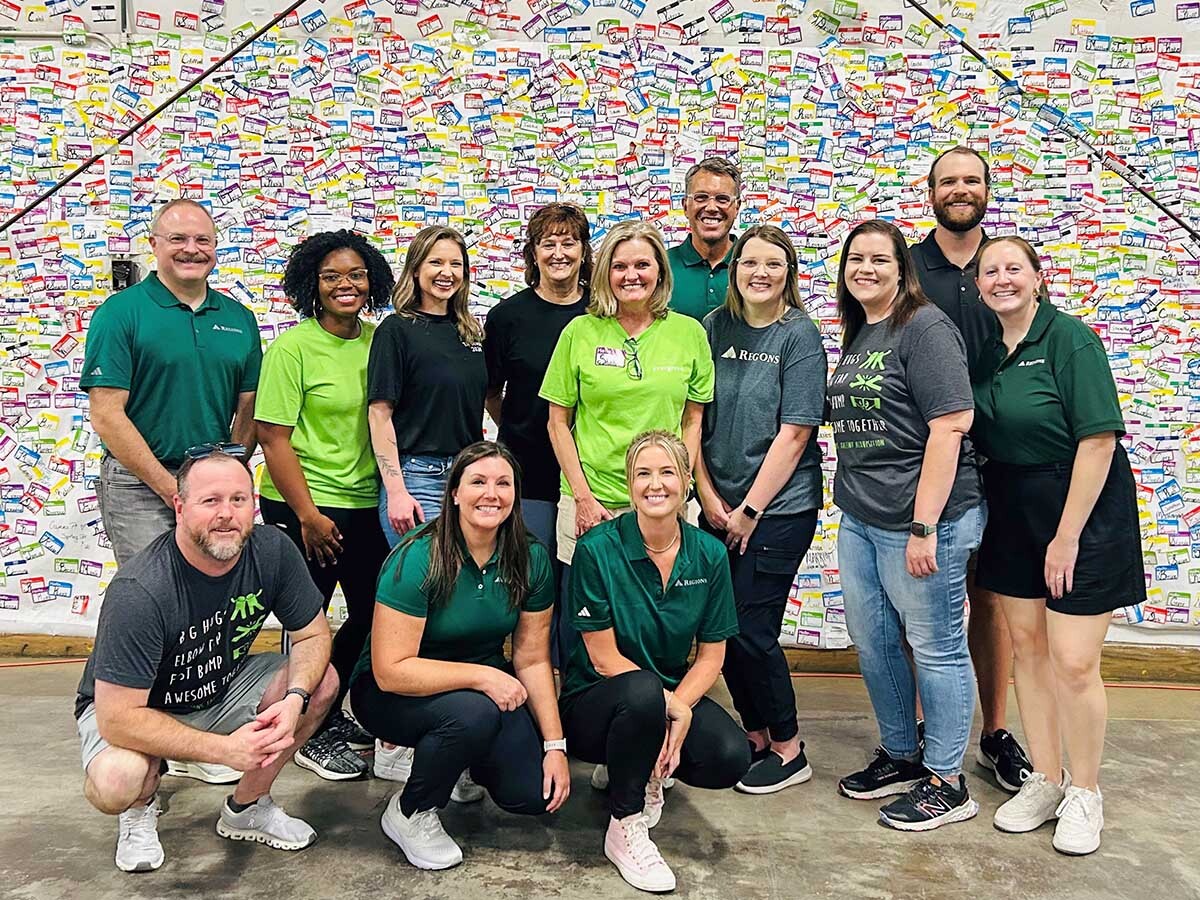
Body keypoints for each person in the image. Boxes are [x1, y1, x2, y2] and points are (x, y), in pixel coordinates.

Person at [74, 448, 338, 873]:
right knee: (115, 781)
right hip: (142, 709)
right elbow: (118, 718)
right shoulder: (140, 589)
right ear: (179, 507)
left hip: (219, 686)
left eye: (238, 500)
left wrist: (293, 699)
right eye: (210, 501)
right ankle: (141, 806)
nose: (227, 514)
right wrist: (225, 751)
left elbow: (311, 634)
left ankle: (247, 807)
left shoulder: (272, 550)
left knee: (320, 682)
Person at [972, 237, 1143, 855]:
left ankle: (1086, 793)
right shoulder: (987, 352)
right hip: (1013, 509)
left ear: (1038, 278)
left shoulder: (1070, 340)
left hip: (1082, 512)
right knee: (1029, 649)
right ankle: (1045, 779)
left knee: (1073, 660)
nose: (1001, 279)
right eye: (990, 271)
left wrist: (1066, 536)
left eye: (1013, 268)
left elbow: (1098, 442)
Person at [83, 198, 262, 786]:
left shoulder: (238, 318)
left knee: (209, 613)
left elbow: (247, 412)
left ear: (217, 246)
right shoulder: (122, 313)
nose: (191, 250)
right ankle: (138, 760)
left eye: (203, 240)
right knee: (153, 611)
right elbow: (108, 415)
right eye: (178, 239)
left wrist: (225, 480)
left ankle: (191, 737)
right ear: (154, 245)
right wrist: (171, 489)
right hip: (140, 486)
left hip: (209, 492)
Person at [828, 220, 986, 831]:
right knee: (874, 642)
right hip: (863, 517)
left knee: (938, 648)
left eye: (879, 259)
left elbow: (951, 424)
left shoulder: (925, 328)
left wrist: (924, 526)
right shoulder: (864, 330)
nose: (865, 268)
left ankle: (947, 781)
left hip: (923, 521)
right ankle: (901, 753)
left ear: (902, 269)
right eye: (855, 259)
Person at [350, 442, 569, 871]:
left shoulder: (530, 557)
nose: (491, 493)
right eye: (478, 482)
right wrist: (483, 677)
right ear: (454, 493)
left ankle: (457, 762)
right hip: (390, 692)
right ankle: (411, 811)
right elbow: (391, 671)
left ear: (515, 495)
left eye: (503, 483)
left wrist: (555, 745)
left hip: (477, 691)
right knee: (472, 714)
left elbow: (533, 659)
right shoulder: (418, 557)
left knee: (532, 795)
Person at [560, 431, 750, 893]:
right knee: (642, 691)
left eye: (667, 472)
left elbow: (712, 654)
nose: (655, 484)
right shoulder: (596, 550)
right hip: (594, 701)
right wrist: (672, 705)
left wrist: (679, 704)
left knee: (731, 755)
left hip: (661, 695)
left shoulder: (708, 553)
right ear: (629, 485)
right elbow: (603, 659)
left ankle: (631, 760)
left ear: (687, 481)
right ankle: (624, 826)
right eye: (642, 473)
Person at [910, 146, 1032, 790]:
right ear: (929, 192)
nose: (960, 189)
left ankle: (993, 734)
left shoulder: (1002, 268)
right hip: (927, 463)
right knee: (921, 604)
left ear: (988, 188)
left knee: (988, 599)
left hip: (999, 459)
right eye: (948, 181)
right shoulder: (906, 266)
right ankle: (930, 729)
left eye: (971, 180)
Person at [255, 230, 395, 781]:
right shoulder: (293, 348)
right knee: (307, 623)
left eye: (357, 275)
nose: (346, 284)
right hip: (302, 507)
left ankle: (332, 713)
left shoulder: (380, 341)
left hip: (367, 504)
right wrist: (309, 516)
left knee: (371, 613)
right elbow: (273, 437)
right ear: (312, 283)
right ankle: (309, 727)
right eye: (332, 276)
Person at [695, 225, 827, 794]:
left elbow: (795, 433)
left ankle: (791, 748)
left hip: (777, 510)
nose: (760, 273)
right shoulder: (712, 327)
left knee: (752, 628)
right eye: (750, 262)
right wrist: (706, 494)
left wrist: (749, 508)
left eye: (774, 264)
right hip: (716, 505)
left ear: (788, 274)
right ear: (734, 269)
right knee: (721, 628)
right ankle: (755, 736)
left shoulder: (798, 335)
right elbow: (693, 421)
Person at [484, 203, 592, 558]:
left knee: (582, 581)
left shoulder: (602, 312)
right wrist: (527, 426)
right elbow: (491, 393)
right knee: (534, 577)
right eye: (548, 244)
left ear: (584, 250)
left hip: (593, 472)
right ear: (533, 252)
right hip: (528, 470)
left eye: (569, 243)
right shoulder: (506, 317)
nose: (559, 254)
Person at [368, 225, 486, 548]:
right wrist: (396, 491)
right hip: (419, 478)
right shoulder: (396, 330)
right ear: (416, 269)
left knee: (464, 584)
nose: (446, 273)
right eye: (436, 263)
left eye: (456, 264)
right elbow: (379, 415)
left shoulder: (470, 332)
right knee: (429, 583)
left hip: (468, 475)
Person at [666, 157, 741, 321]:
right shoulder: (660, 266)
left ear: (737, 208)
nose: (712, 207)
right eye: (701, 197)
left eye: (722, 199)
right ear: (685, 206)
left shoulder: (753, 266)